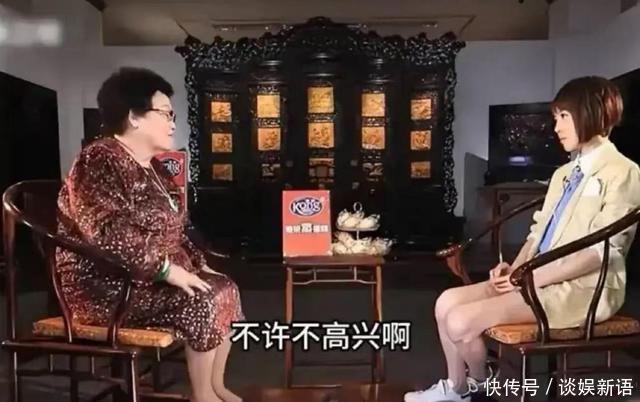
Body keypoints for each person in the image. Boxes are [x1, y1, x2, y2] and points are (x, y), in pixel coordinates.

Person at [404, 76, 640, 402]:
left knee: (459, 322)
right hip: (535, 278)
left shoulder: (623, 171)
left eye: (564, 116)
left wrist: (530, 276)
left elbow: (602, 253)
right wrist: (514, 269)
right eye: (556, 117)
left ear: (592, 113)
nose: (556, 127)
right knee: (446, 302)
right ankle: (458, 388)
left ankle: (480, 385)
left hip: (583, 289)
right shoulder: (563, 174)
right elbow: (539, 232)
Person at [56, 67, 244, 402]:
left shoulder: (154, 167)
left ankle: (216, 387)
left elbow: (176, 228)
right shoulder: (99, 159)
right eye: (165, 113)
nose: (173, 122)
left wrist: (197, 263)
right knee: (199, 298)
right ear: (134, 117)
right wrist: (166, 270)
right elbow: (107, 230)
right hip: (107, 284)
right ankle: (203, 396)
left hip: (144, 277)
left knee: (223, 286)